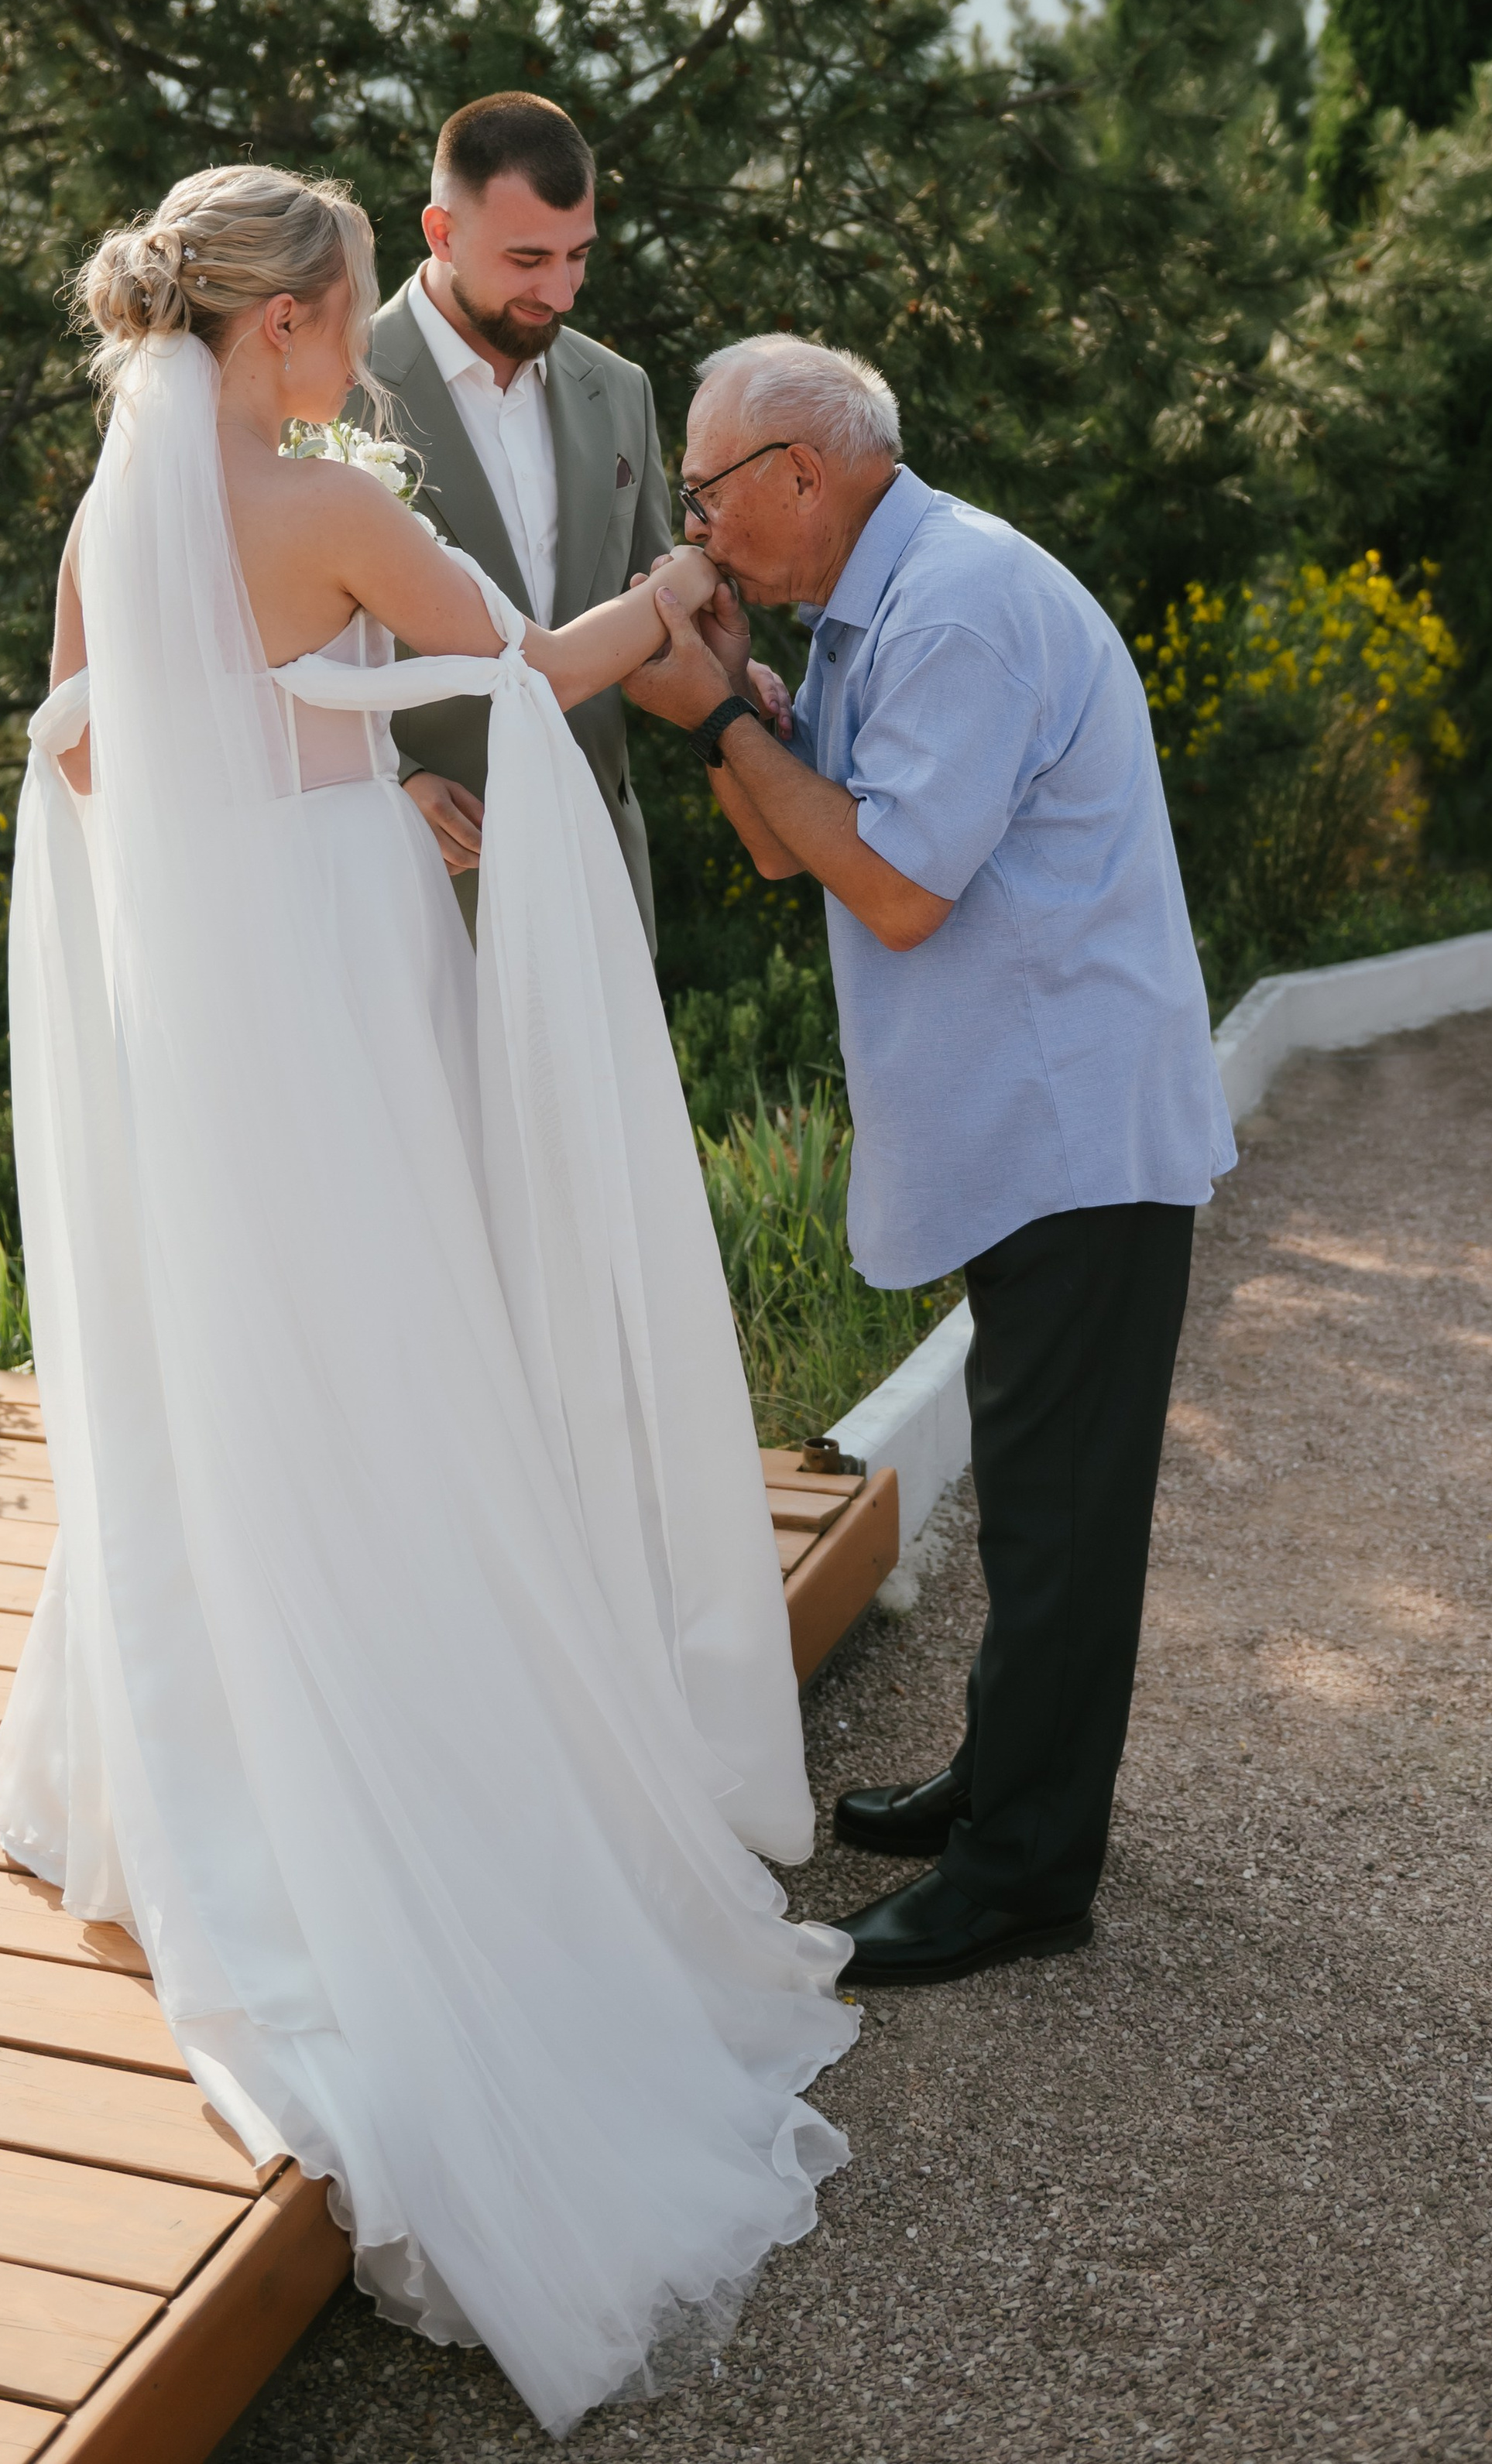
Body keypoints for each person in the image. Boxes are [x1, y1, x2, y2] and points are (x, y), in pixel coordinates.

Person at [0, 172, 855, 2436]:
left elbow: (81, 754)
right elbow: (534, 669)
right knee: (389, 1339)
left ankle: (192, 1739)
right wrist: (659, 597)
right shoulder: (327, 514)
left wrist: (301, 757)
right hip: (344, 970)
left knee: (234, 1349)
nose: (361, 337)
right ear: (289, 326)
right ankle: (398, 1710)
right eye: (352, 304)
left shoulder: (118, 524)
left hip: (205, 1001)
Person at [626, 334, 1236, 1988]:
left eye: (706, 489)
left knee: (1058, 1514)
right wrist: (734, 714)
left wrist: (710, 720)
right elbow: (789, 847)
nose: (698, 521)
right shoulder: (877, 602)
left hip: (1072, 1128)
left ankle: (1025, 1870)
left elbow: (891, 885)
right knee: (1039, 1493)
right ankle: (1001, 1784)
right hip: (1026, 1122)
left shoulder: (953, 605)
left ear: (798, 474)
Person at [352, 93, 672, 945]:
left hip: (598, 875)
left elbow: (652, 590)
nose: (561, 291)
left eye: (578, 256)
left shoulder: (622, 389)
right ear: (441, 232)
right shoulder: (333, 393)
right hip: (424, 882)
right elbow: (273, 651)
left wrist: (723, 665)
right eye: (529, 258)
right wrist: (396, 775)